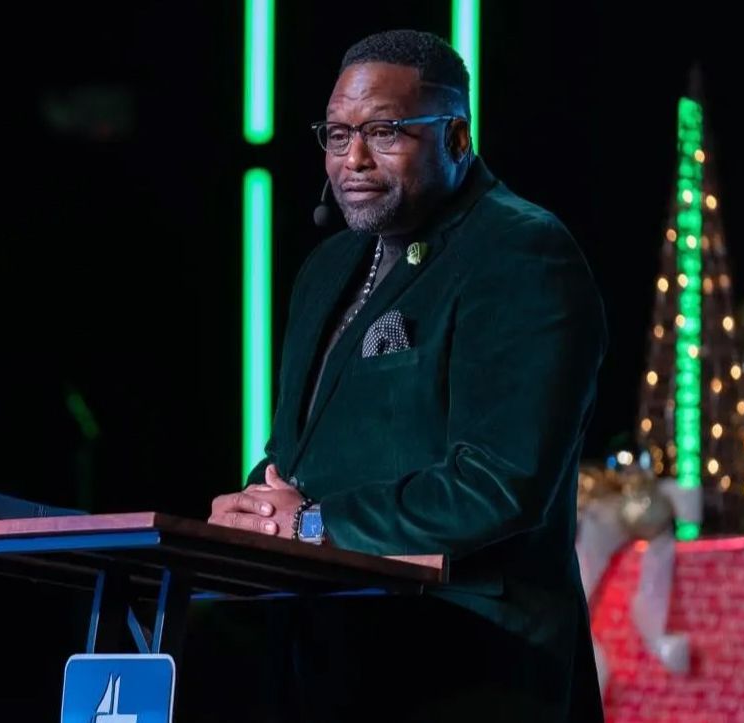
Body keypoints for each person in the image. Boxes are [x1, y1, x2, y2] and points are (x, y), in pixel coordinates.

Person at [205, 28, 607, 721]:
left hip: (468, 666)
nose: (352, 158)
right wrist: (253, 507)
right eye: (336, 134)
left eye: (384, 131)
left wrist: (313, 525)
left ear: (455, 136)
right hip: (326, 652)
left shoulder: (521, 252)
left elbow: (497, 483)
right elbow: (299, 454)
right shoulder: (326, 267)